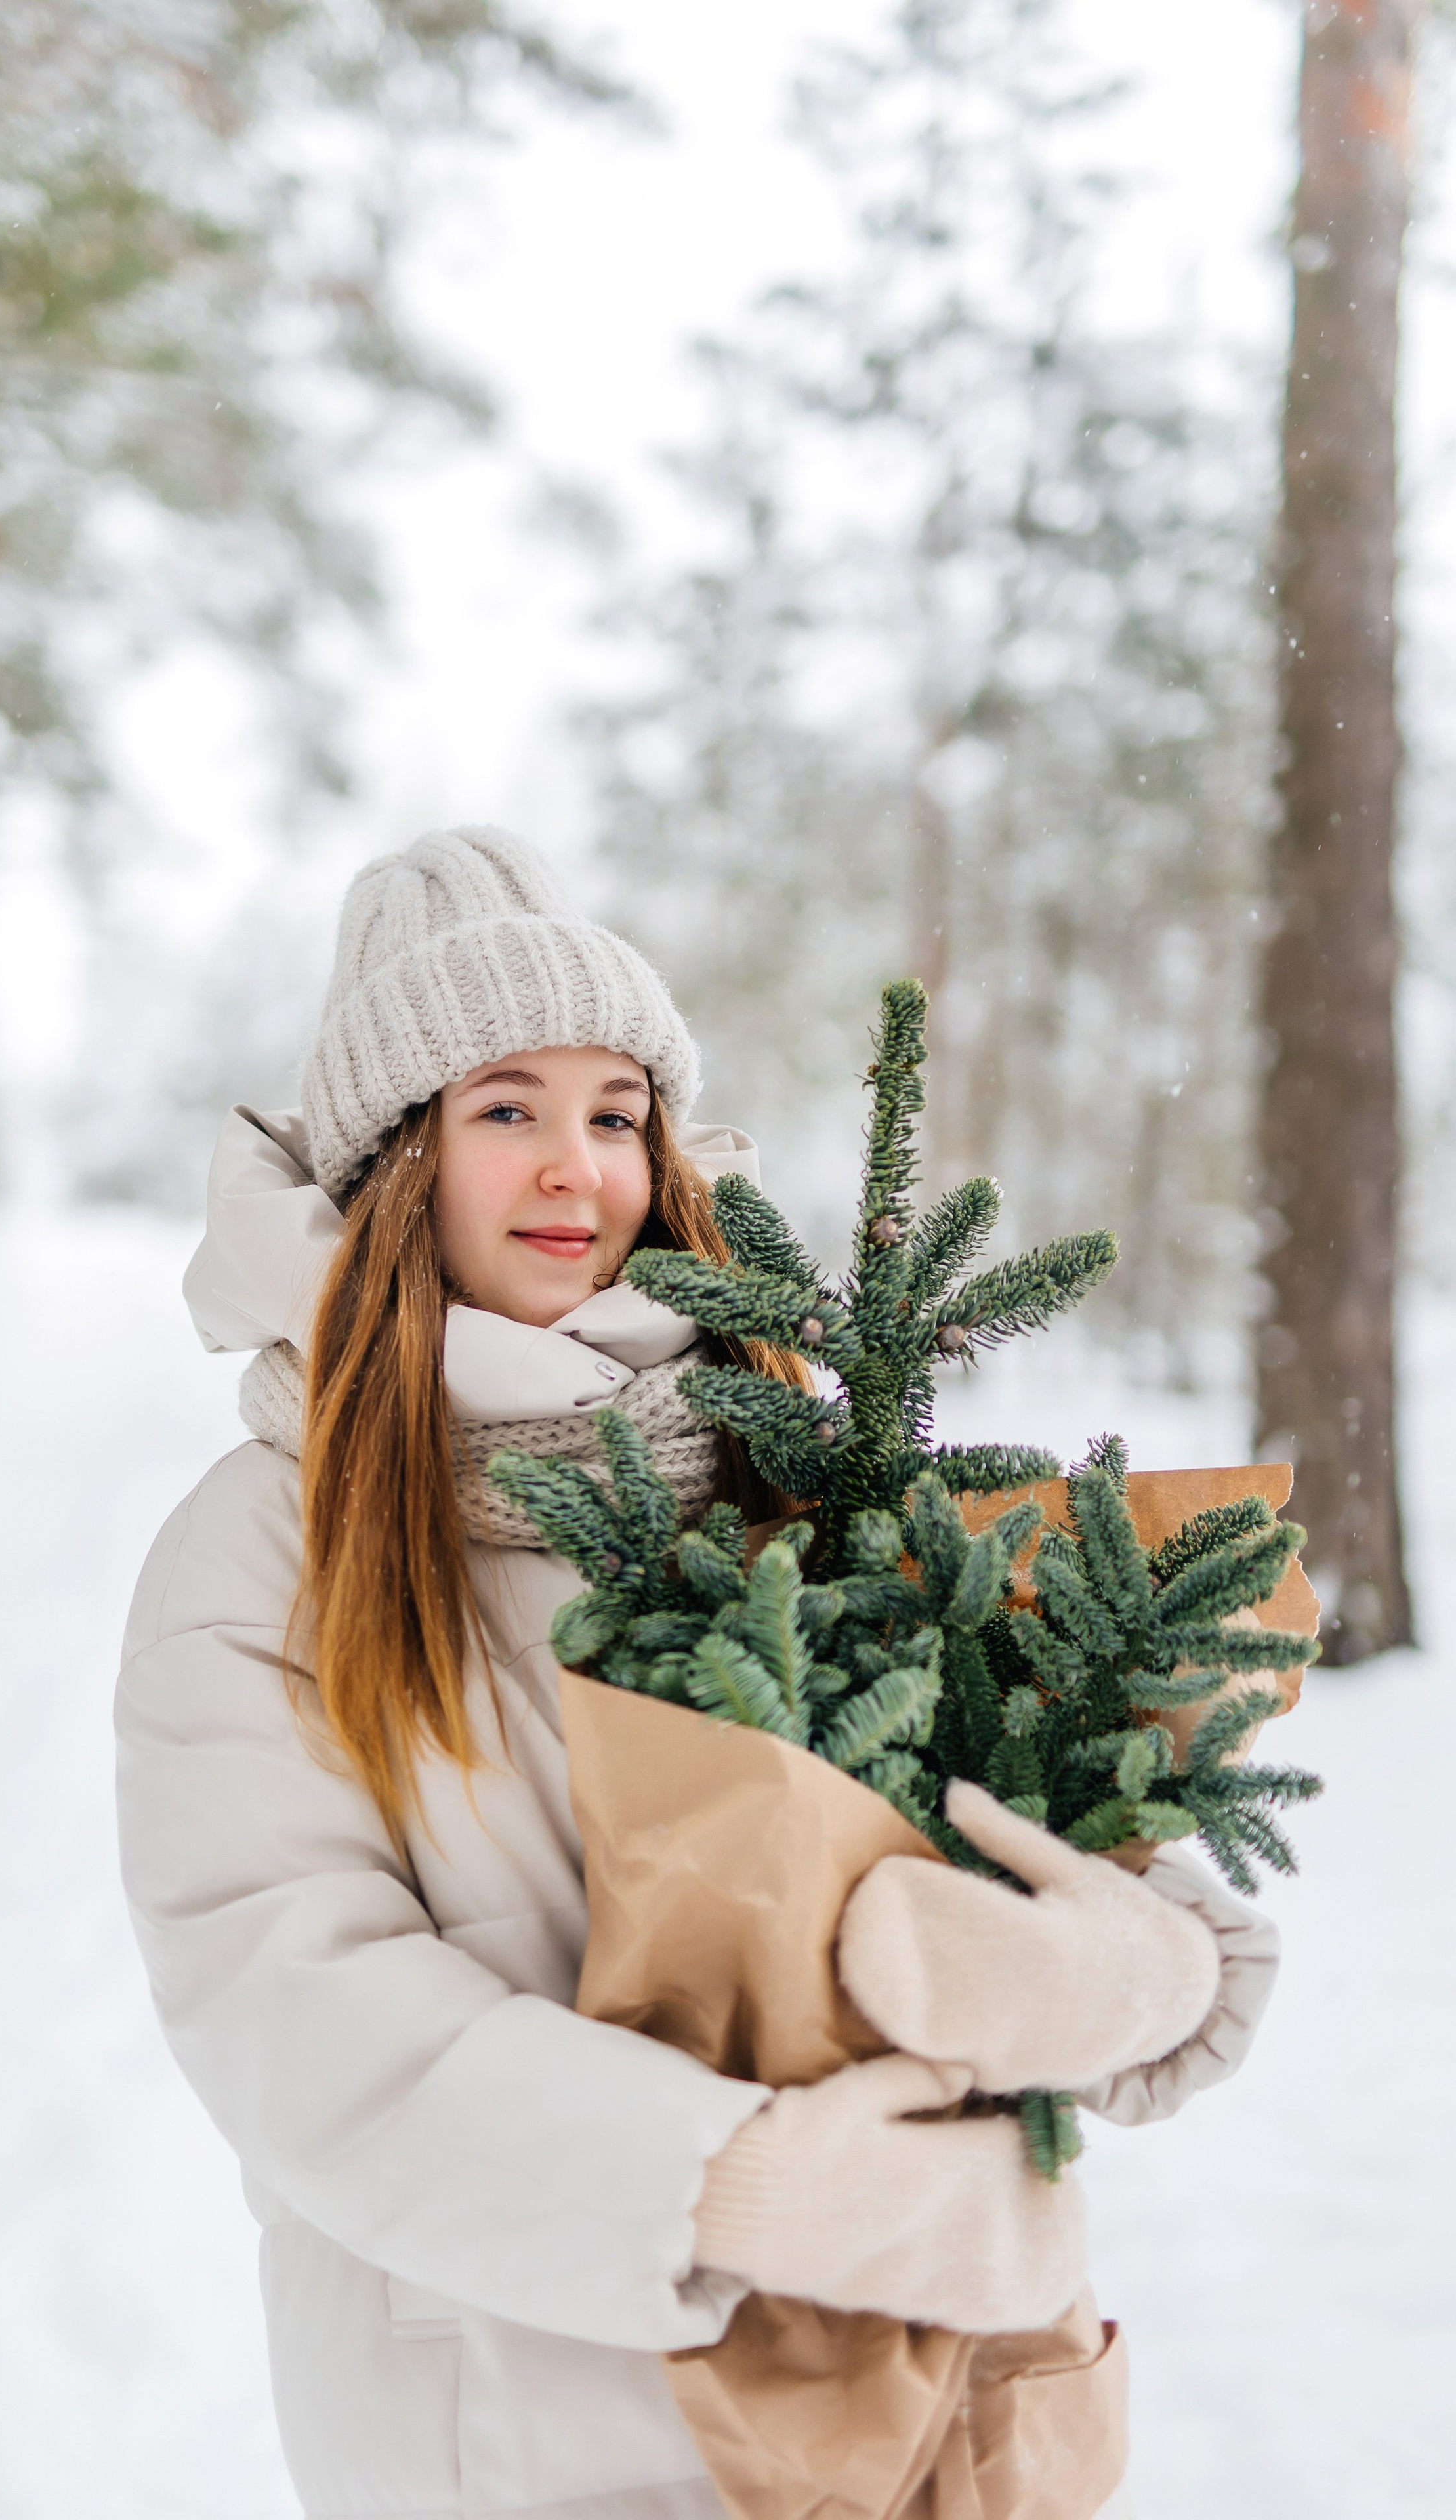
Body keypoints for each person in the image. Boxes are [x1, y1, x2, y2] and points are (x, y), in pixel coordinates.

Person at [116, 826, 1280, 2520]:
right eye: (503, 1109)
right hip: (516, 2439)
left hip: (908, 2412)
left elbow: (1045, 1783)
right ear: (392, 1169)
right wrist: (728, 2186)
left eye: (612, 1113)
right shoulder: (263, 1553)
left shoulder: (788, 1461)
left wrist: (1141, 1973)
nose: (572, 1167)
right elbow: (294, 2011)